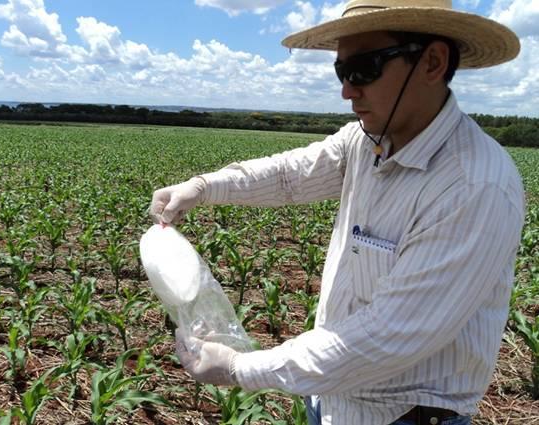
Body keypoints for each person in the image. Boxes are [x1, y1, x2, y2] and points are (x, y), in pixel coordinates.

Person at [148, 1, 525, 424]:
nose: (347, 90)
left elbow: (387, 336)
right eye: (341, 71)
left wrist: (239, 367)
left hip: (403, 416)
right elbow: (290, 176)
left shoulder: (473, 186)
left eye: (364, 68)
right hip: (332, 400)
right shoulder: (366, 141)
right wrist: (204, 187)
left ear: (432, 62)